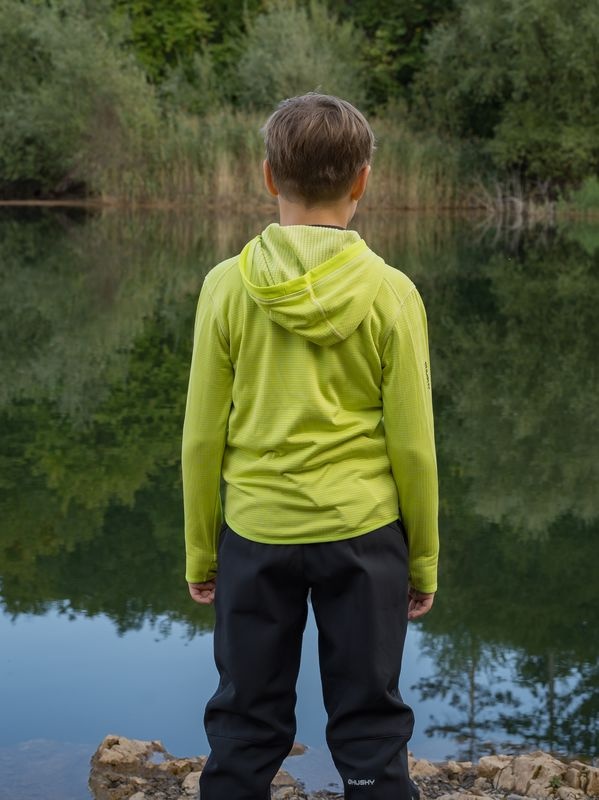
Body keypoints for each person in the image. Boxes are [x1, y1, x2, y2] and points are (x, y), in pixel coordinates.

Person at [182, 93, 439, 800]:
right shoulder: (392, 294)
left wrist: (202, 550)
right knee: (369, 727)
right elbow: (414, 448)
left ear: (268, 176)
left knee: (244, 720)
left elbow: (201, 437)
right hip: (363, 537)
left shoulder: (225, 287)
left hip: (256, 534)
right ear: (362, 181)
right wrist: (422, 559)